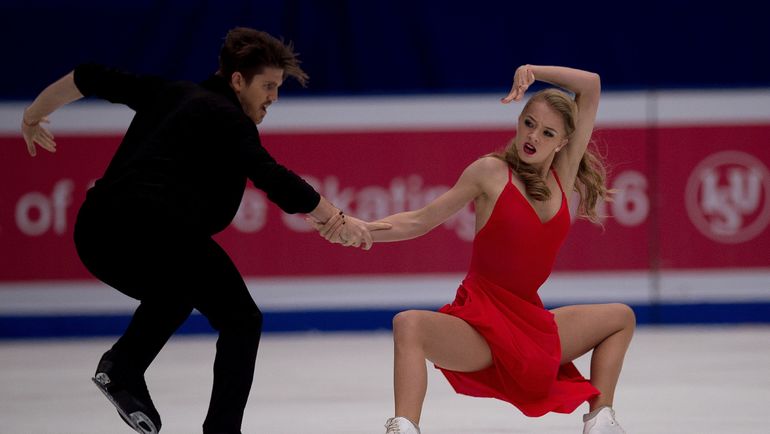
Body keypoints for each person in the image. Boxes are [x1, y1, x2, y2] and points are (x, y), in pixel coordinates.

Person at [21, 27, 386, 434]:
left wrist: (34, 112)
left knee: (176, 295)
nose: (273, 98)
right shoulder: (228, 118)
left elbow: (88, 76)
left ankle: (122, 368)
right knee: (242, 319)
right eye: (267, 86)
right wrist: (334, 217)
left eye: (278, 87)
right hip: (155, 233)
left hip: (96, 234)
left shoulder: (168, 92)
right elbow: (271, 176)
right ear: (237, 80)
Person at [317, 65, 635, 433]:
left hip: (533, 327)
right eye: (529, 123)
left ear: (563, 142)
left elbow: (591, 85)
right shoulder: (490, 172)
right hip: (483, 326)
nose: (533, 136)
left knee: (620, 318)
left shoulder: (563, 176)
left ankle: (600, 420)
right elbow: (421, 220)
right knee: (409, 324)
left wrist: (532, 70)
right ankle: (403, 428)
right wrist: (360, 231)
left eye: (547, 133)